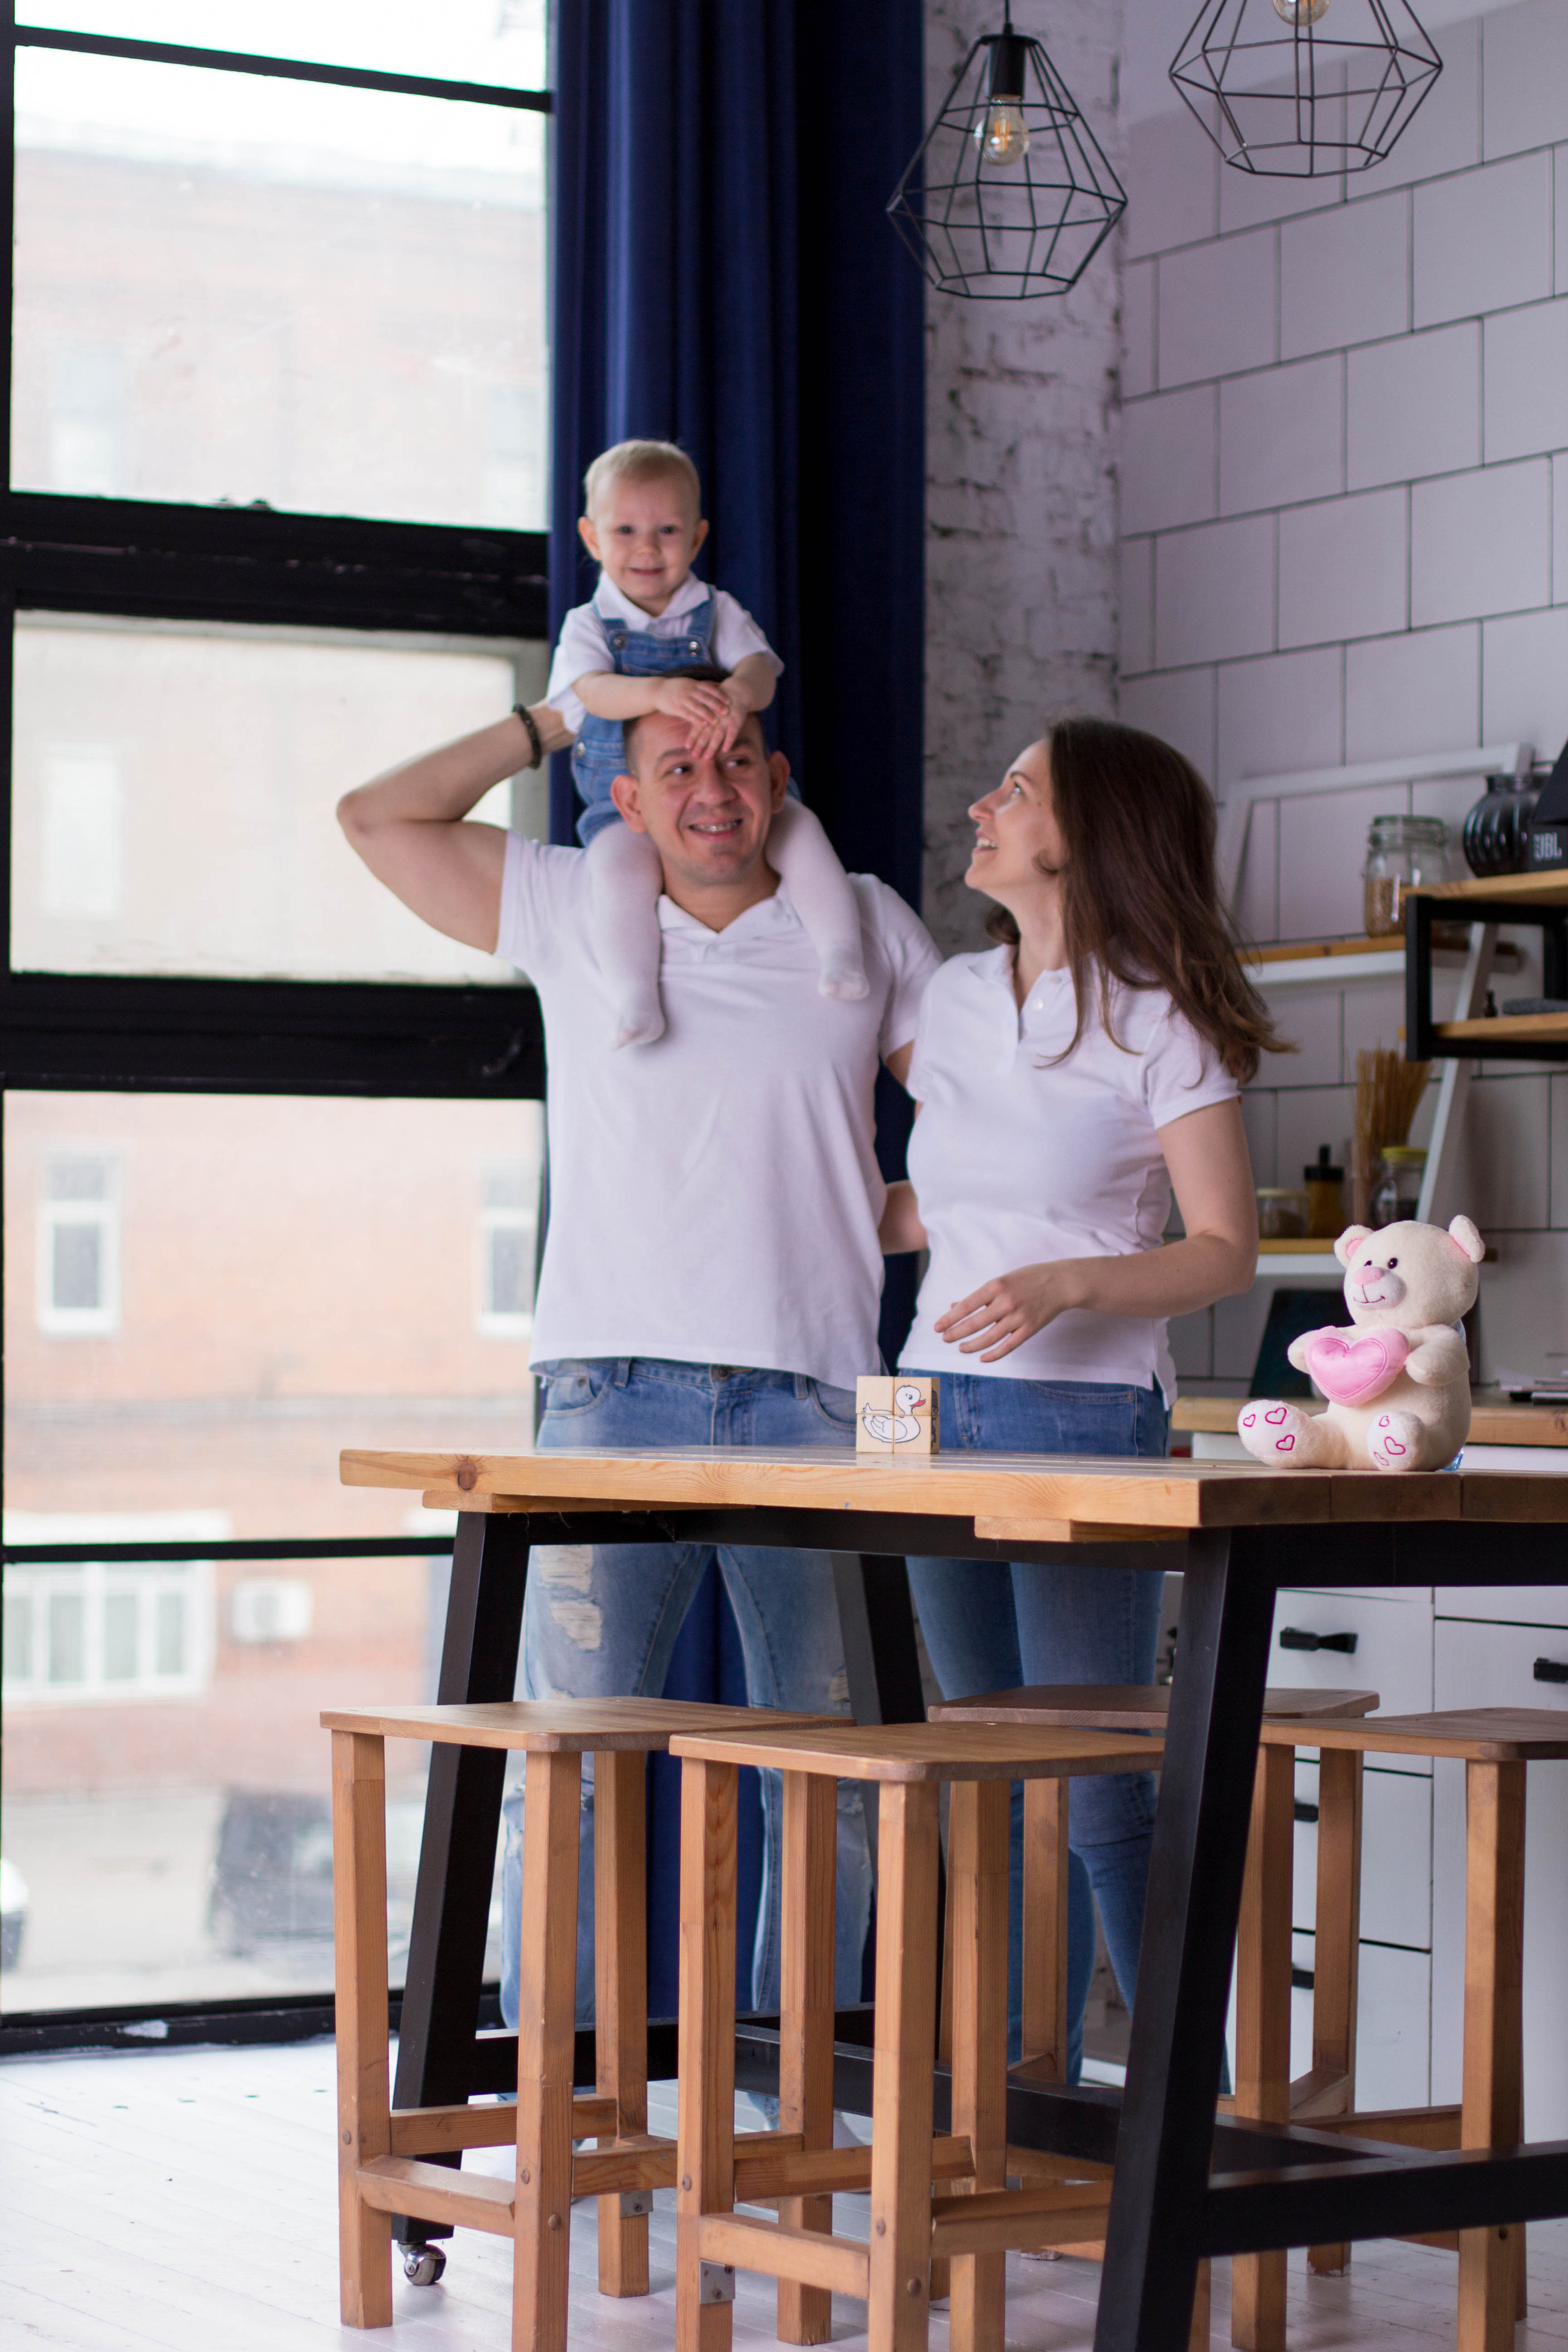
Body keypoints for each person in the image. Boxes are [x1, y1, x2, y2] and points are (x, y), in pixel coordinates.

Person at [337, 685, 940, 2029]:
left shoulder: (863, 925)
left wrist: (899, 1207)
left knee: (836, 1780)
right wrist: (558, 717)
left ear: (777, 779)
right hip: (609, 1395)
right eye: (676, 764)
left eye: (736, 760)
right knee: (574, 1773)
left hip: (818, 1402)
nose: (711, 787)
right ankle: (578, 2096)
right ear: (626, 797)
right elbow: (377, 817)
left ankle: (797, 2111)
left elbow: (979, 1121)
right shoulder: (567, 907)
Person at [879, 715, 1275, 2078]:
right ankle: (1008, 2122)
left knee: (1102, 1794)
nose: (982, 804)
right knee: (984, 1796)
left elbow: (1225, 1247)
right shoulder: (947, 999)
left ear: (1080, 836)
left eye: (1016, 788)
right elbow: (955, 1206)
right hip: (934, 1420)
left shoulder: (1160, 1018)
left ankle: (1187, 2133)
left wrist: (1069, 1285)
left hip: (1080, 1428)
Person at [550, 437, 867, 1047]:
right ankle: (636, 996)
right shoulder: (588, 625)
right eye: (625, 531)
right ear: (591, 539)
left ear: (696, 539)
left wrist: (739, 696)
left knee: (800, 833)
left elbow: (761, 670)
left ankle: (840, 954)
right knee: (616, 871)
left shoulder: (714, 610)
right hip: (627, 797)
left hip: (725, 776)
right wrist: (657, 695)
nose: (647, 548)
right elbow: (590, 693)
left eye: (667, 531)